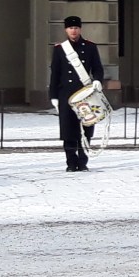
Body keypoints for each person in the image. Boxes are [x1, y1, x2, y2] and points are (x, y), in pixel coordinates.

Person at [49, 16, 104, 172]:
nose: (73, 31)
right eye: (70, 28)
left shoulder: (90, 47)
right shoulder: (60, 49)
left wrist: (97, 80)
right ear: (66, 30)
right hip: (66, 94)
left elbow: (97, 68)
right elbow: (55, 74)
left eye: (76, 28)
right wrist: (53, 95)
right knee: (68, 130)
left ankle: (83, 161)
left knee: (86, 128)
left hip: (85, 93)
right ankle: (71, 163)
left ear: (80, 29)